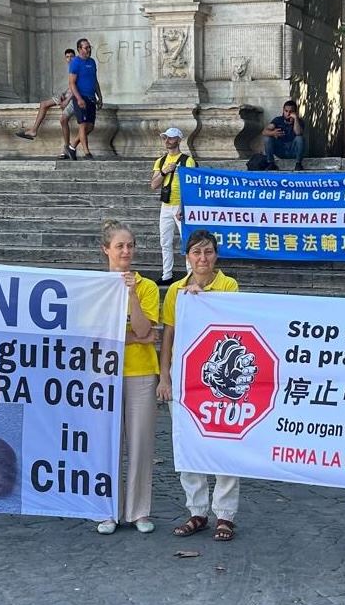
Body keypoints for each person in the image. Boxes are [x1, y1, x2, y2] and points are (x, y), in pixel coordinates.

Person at [157, 229, 242, 542]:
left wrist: (202, 300)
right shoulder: (175, 290)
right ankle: (197, 511)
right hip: (185, 375)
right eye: (196, 253)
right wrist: (164, 376)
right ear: (187, 257)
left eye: (208, 252)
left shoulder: (229, 285)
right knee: (187, 442)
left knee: (225, 444)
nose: (203, 259)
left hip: (223, 375)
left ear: (216, 255)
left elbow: (232, 323)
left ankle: (225, 514)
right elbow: (168, 334)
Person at [97, 219, 158, 535]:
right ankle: (107, 509)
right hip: (103, 373)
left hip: (141, 372)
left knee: (140, 444)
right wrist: (133, 337)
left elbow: (147, 329)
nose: (126, 251)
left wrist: (132, 295)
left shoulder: (146, 287)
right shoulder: (95, 287)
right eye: (119, 246)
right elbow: (95, 334)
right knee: (106, 444)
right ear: (106, 249)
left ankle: (138, 510)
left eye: (130, 246)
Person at [150, 127, 196, 286]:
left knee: (187, 241)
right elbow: (153, 185)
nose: (167, 141)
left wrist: (183, 206)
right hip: (166, 204)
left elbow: (191, 186)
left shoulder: (187, 160)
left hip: (180, 205)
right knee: (165, 241)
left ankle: (190, 274)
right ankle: (167, 274)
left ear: (179, 139)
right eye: (165, 138)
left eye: (170, 138)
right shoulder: (161, 161)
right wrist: (164, 171)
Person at [17, 48, 75, 144]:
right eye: (67, 57)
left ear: (75, 57)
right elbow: (71, 86)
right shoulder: (71, 68)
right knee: (43, 104)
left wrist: (67, 100)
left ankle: (67, 145)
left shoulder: (77, 67)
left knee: (63, 118)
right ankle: (33, 130)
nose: (69, 59)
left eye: (71, 57)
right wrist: (63, 93)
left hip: (72, 97)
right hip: (67, 95)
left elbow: (78, 86)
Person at [66, 38, 102, 160]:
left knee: (90, 126)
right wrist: (79, 98)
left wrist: (99, 96)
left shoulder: (92, 62)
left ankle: (72, 147)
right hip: (81, 97)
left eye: (89, 47)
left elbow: (95, 80)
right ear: (79, 49)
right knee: (83, 125)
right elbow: (72, 83)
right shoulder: (75, 63)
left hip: (91, 97)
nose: (88, 50)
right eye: (86, 48)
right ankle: (87, 152)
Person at [261, 99, 305, 171]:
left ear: (295, 112)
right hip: (281, 150)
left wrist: (295, 119)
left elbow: (298, 133)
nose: (288, 114)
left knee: (299, 138)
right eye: (286, 111)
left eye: (291, 112)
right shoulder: (278, 120)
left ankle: (298, 164)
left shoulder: (299, 121)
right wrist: (273, 133)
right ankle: (271, 163)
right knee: (267, 138)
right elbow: (264, 132)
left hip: (293, 150)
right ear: (283, 110)